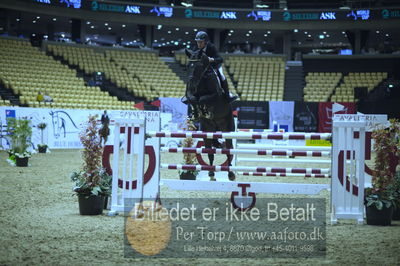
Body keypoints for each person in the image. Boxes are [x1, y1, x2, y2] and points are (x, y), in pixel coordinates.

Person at [193, 31, 238, 103]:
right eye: (198, 42)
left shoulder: (211, 47)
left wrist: (212, 59)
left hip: (214, 67)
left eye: (201, 42)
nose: (199, 44)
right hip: (203, 68)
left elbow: (220, 59)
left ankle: (227, 95)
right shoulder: (196, 49)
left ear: (205, 42)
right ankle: (191, 93)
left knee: (222, 76)